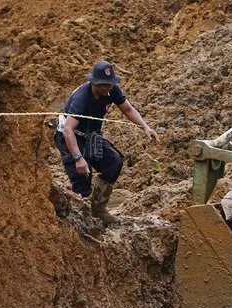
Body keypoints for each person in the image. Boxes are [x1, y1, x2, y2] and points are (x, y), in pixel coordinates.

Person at [54, 60, 159, 224]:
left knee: (113, 162)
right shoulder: (81, 98)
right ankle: (84, 218)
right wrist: (77, 157)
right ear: (95, 83)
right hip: (70, 135)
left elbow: (128, 109)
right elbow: (68, 130)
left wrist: (145, 127)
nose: (108, 88)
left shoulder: (112, 90)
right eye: (104, 85)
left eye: (110, 84)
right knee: (83, 173)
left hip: (92, 135)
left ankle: (98, 208)